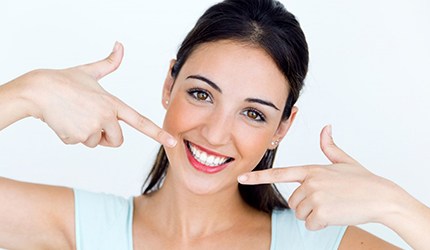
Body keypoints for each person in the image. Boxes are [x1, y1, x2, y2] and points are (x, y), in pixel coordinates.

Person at [0, 0, 429, 249]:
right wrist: (28, 93)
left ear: (283, 126)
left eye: (253, 113)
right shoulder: (84, 227)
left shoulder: (319, 243)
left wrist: (395, 205)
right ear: (170, 83)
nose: (216, 133)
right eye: (201, 94)